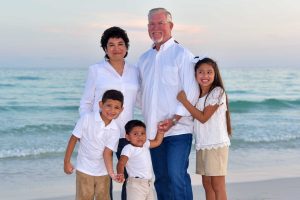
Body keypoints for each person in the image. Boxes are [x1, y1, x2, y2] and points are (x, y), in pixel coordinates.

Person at [137, 7, 199, 200]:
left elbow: (192, 91)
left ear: (170, 26)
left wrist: (174, 119)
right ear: (148, 27)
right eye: (152, 24)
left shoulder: (182, 55)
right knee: (161, 178)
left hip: (179, 130)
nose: (156, 28)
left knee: (176, 175)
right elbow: (140, 95)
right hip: (154, 131)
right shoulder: (143, 59)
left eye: (160, 23)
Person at [79, 26, 139, 200]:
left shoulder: (135, 71)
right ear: (105, 49)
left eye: (120, 44)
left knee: (129, 175)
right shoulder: (96, 70)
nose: (116, 48)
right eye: (111, 44)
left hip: (126, 133)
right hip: (101, 132)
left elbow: (140, 99)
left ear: (126, 47)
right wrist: (88, 126)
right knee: (105, 177)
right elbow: (86, 101)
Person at [177, 57, 232, 200]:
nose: (205, 76)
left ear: (215, 74)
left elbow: (203, 117)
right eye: (201, 72)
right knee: (207, 184)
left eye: (209, 72)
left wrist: (184, 101)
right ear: (195, 75)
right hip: (203, 144)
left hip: (216, 144)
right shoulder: (198, 94)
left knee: (217, 185)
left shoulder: (217, 92)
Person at [64, 89, 124, 200]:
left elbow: (107, 153)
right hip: (84, 170)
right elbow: (73, 139)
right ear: (101, 104)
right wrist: (66, 162)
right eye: (108, 105)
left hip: (103, 172)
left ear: (121, 110)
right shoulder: (87, 118)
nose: (112, 110)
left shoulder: (115, 129)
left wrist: (111, 174)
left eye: (116, 107)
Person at [116, 120, 166, 200]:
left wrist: (160, 131)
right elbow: (121, 163)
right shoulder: (128, 148)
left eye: (142, 133)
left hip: (148, 184)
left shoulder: (145, 144)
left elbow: (157, 142)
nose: (140, 136)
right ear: (128, 137)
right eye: (135, 134)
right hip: (135, 185)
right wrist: (120, 173)